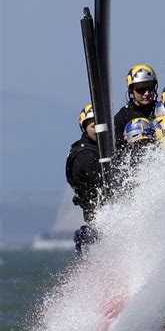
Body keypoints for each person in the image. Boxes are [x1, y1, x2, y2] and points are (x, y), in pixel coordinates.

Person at [65, 104, 101, 254]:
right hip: (97, 216)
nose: (98, 130)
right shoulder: (84, 154)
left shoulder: (99, 148)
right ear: (84, 128)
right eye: (93, 126)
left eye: (100, 125)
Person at [114, 64, 159, 149]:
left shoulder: (162, 110)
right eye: (141, 89)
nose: (147, 93)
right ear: (131, 90)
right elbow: (116, 150)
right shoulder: (122, 117)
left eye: (150, 88)